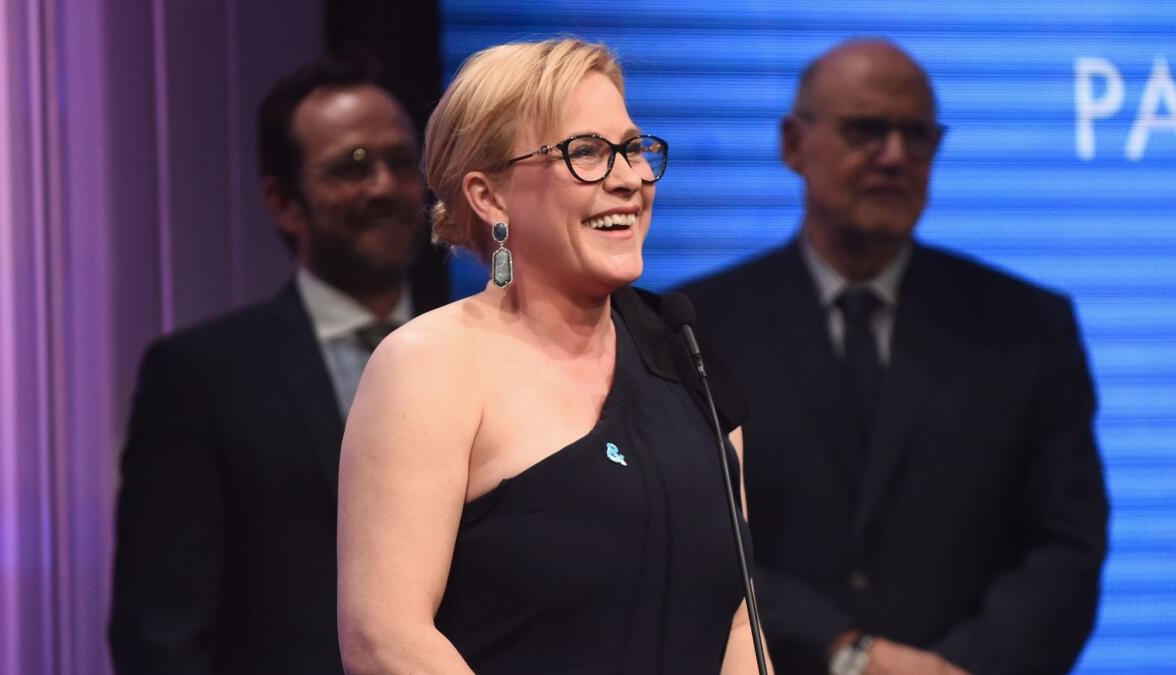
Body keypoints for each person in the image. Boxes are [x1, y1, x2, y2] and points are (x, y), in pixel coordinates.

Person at [336, 38, 767, 674]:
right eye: (585, 152)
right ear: (489, 197)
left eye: (632, 148)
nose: (628, 179)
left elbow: (737, 623)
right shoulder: (431, 366)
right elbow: (385, 639)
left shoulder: (688, 359)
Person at [682, 38, 1108, 675]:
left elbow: (1066, 549)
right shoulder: (697, 327)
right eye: (865, 131)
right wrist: (847, 655)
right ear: (793, 144)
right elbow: (694, 537)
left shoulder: (1028, 326)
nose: (894, 156)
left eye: (917, 136)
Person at [109, 51, 448, 674]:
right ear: (284, 201)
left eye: (401, 162)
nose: (382, 186)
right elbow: (161, 632)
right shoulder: (200, 378)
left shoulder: (473, 351)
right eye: (351, 166)